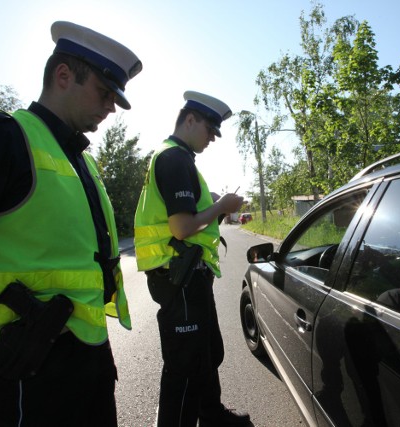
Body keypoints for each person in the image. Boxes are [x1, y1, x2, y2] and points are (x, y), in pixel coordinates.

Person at [0, 21, 142, 426]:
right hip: (28, 368)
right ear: (63, 75)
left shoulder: (80, 160)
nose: (111, 107)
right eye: (104, 92)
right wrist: (19, 321)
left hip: (87, 357)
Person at [134, 91, 249, 427]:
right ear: (189, 120)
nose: (212, 138)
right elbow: (182, 227)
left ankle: (211, 414)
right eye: (210, 130)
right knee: (184, 366)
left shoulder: (179, 159)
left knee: (206, 352)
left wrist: (212, 206)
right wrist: (221, 206)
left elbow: (189, 217)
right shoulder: (174, 159)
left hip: (188, 275)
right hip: (178, 275)